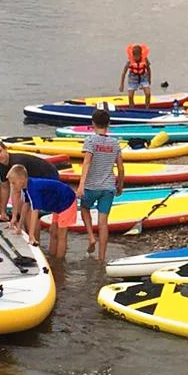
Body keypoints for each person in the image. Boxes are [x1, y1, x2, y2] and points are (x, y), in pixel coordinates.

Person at [77, 109, 125, 261]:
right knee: (103, 222)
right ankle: (101, 258)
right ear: (108, 124)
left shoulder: (90, 141)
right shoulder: (115, 143)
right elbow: (121, 167)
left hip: (91, 186)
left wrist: (81, 184)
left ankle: (91, 236)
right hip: (108, 187)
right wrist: (120, 185)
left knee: (84, 208)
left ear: (92, 124)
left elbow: (87, 162)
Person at [6, 164, 77, 260]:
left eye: (13, 183)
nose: (12, 186)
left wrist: (31, 235)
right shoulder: (26, 187)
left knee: (61, 235)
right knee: (53, 231)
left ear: (22, 179)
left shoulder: (33, 188)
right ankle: (52, 259)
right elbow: (26, 206)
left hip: (67, 200)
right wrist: (19, 227)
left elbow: (35, 211)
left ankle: (59, 263)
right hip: (57, 204)